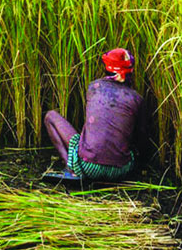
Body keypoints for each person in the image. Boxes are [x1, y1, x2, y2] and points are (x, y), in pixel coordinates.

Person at [45, 48, 144, 181]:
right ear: (130, 71)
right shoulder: (137, 98)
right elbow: (140, 137)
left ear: (107, 68)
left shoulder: (94, 87)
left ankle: (71, 168)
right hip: (120, 171)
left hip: (88, 166)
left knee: (50, 116)